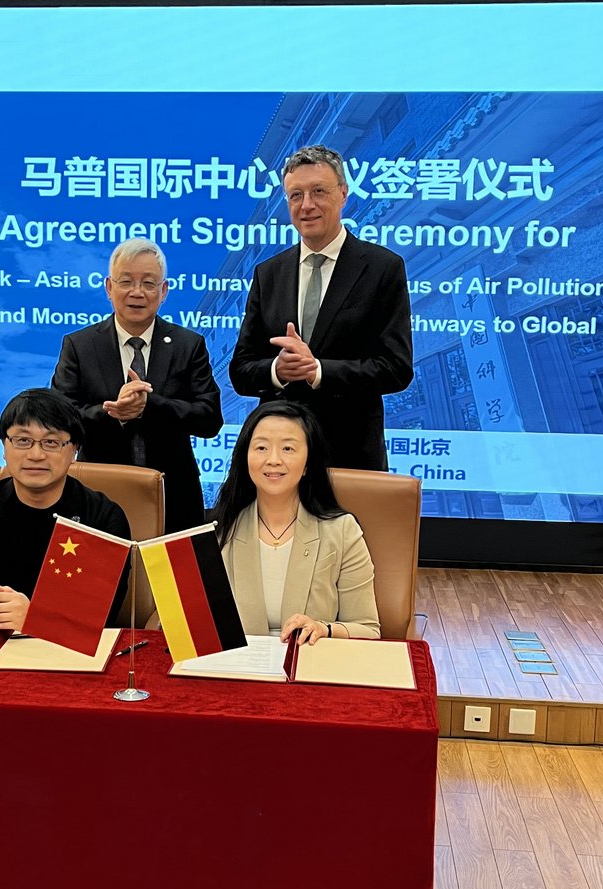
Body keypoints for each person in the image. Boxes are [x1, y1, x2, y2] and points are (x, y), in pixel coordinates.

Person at [229, 144, 413, 471]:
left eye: (318, 191)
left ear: (343, 193)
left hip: (349, 457)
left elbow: (396, 368)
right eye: (295, 195)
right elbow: (241, 370)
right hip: (277, 463)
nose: (307, 205)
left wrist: (318, 371)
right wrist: (277, 371)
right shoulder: (268, 273)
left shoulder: (382, 268)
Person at [0, 388, 129, 630]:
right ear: (4, 447)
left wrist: (34, 617)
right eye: (23, 441)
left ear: (74, 450)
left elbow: (105, 607)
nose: (36, 454)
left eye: (51, 442)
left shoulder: (103, 517)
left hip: (72, 650)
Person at [52, 239, 223, 532]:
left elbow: (209, 418)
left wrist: (150, 406)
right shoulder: (79, 345)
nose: (137, 292)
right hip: (98, 493)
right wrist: (113, 414)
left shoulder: (188, 345)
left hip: (174, 498)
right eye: (126, 281)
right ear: (109, 287)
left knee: (169, 579)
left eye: (148, 283)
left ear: (163, 291)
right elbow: (59, 419)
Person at [214, 400, 380, 645]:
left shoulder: (342, 531)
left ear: (307, 464)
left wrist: (324, 629)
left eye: (288, 449)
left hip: (313, 665)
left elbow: (368, 629)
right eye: (261, 448)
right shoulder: (219, 530)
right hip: (238, 669)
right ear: (245, 457)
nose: (273, 460)